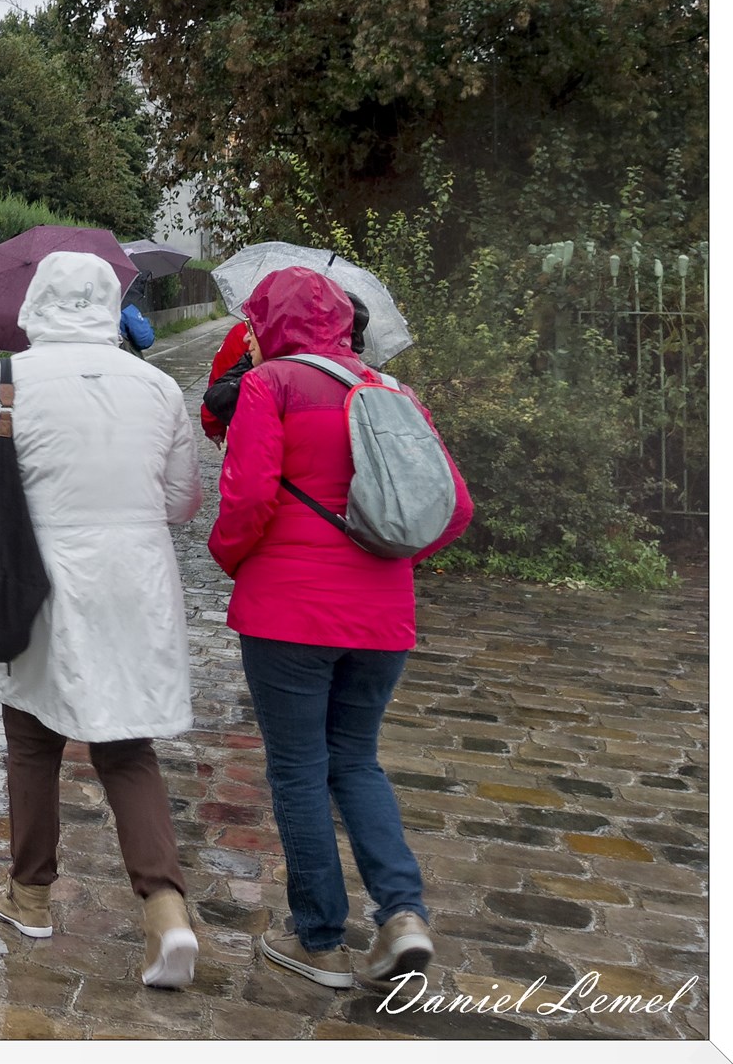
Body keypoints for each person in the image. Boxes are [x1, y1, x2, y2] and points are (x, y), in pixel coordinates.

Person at [0, 251, 205, 991]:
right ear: (109, 303)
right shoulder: (157, 385)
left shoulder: (12, 378)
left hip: (41, 576)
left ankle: (29, 895)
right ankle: (165, 909)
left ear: (37, 301)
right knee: (127, 746)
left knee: (32, 738)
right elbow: (182, 499)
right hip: (135, 581)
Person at [209, 267, 472, 991]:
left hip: (288, 610)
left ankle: (319, 939)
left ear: (272, 323)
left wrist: (233, 560)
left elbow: (247, 498)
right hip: (383, 615)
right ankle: (403, 913)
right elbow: (455, 508)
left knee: (298, 768)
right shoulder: (393, 390)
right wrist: (389, 559)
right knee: (356, 761)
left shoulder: (270, 384)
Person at [202, 292, 371, 444]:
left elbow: (217, 391)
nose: (247, 337)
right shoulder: (368, 382)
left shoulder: (274, 380)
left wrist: (214, 428)